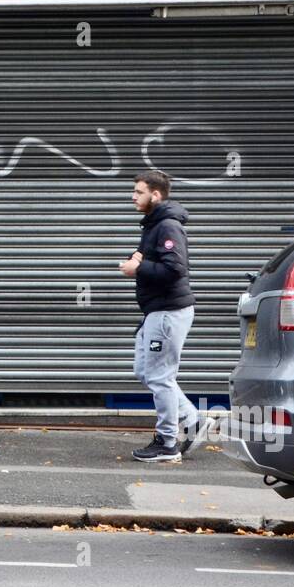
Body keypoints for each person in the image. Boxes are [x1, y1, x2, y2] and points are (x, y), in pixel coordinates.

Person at [118, 171, 218, 463]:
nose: (133, 196)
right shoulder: (153, 226)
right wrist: (139, 259)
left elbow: (175, 269)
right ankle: (193, 420)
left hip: (168, 311)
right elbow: (154, 259)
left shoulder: (168, 226)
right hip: (155, 311)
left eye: (138, 192)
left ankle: (167, 443)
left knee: (161, 376)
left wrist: (138, 268)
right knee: (145, 371)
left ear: (156, 195)